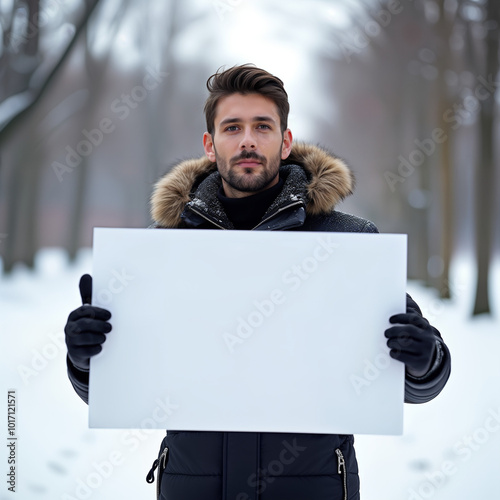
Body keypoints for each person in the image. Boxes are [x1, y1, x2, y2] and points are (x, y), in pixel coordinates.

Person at [65, 64, 451, 500]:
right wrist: (85, 357)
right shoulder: (163, 251)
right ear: (210, 145)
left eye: (262, 126)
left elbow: (417, 381)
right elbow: (116, 384)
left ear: (285, 142)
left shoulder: (348, 244)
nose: (247, 139)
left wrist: (424, 359)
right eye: (232, 127)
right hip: (192, 489)